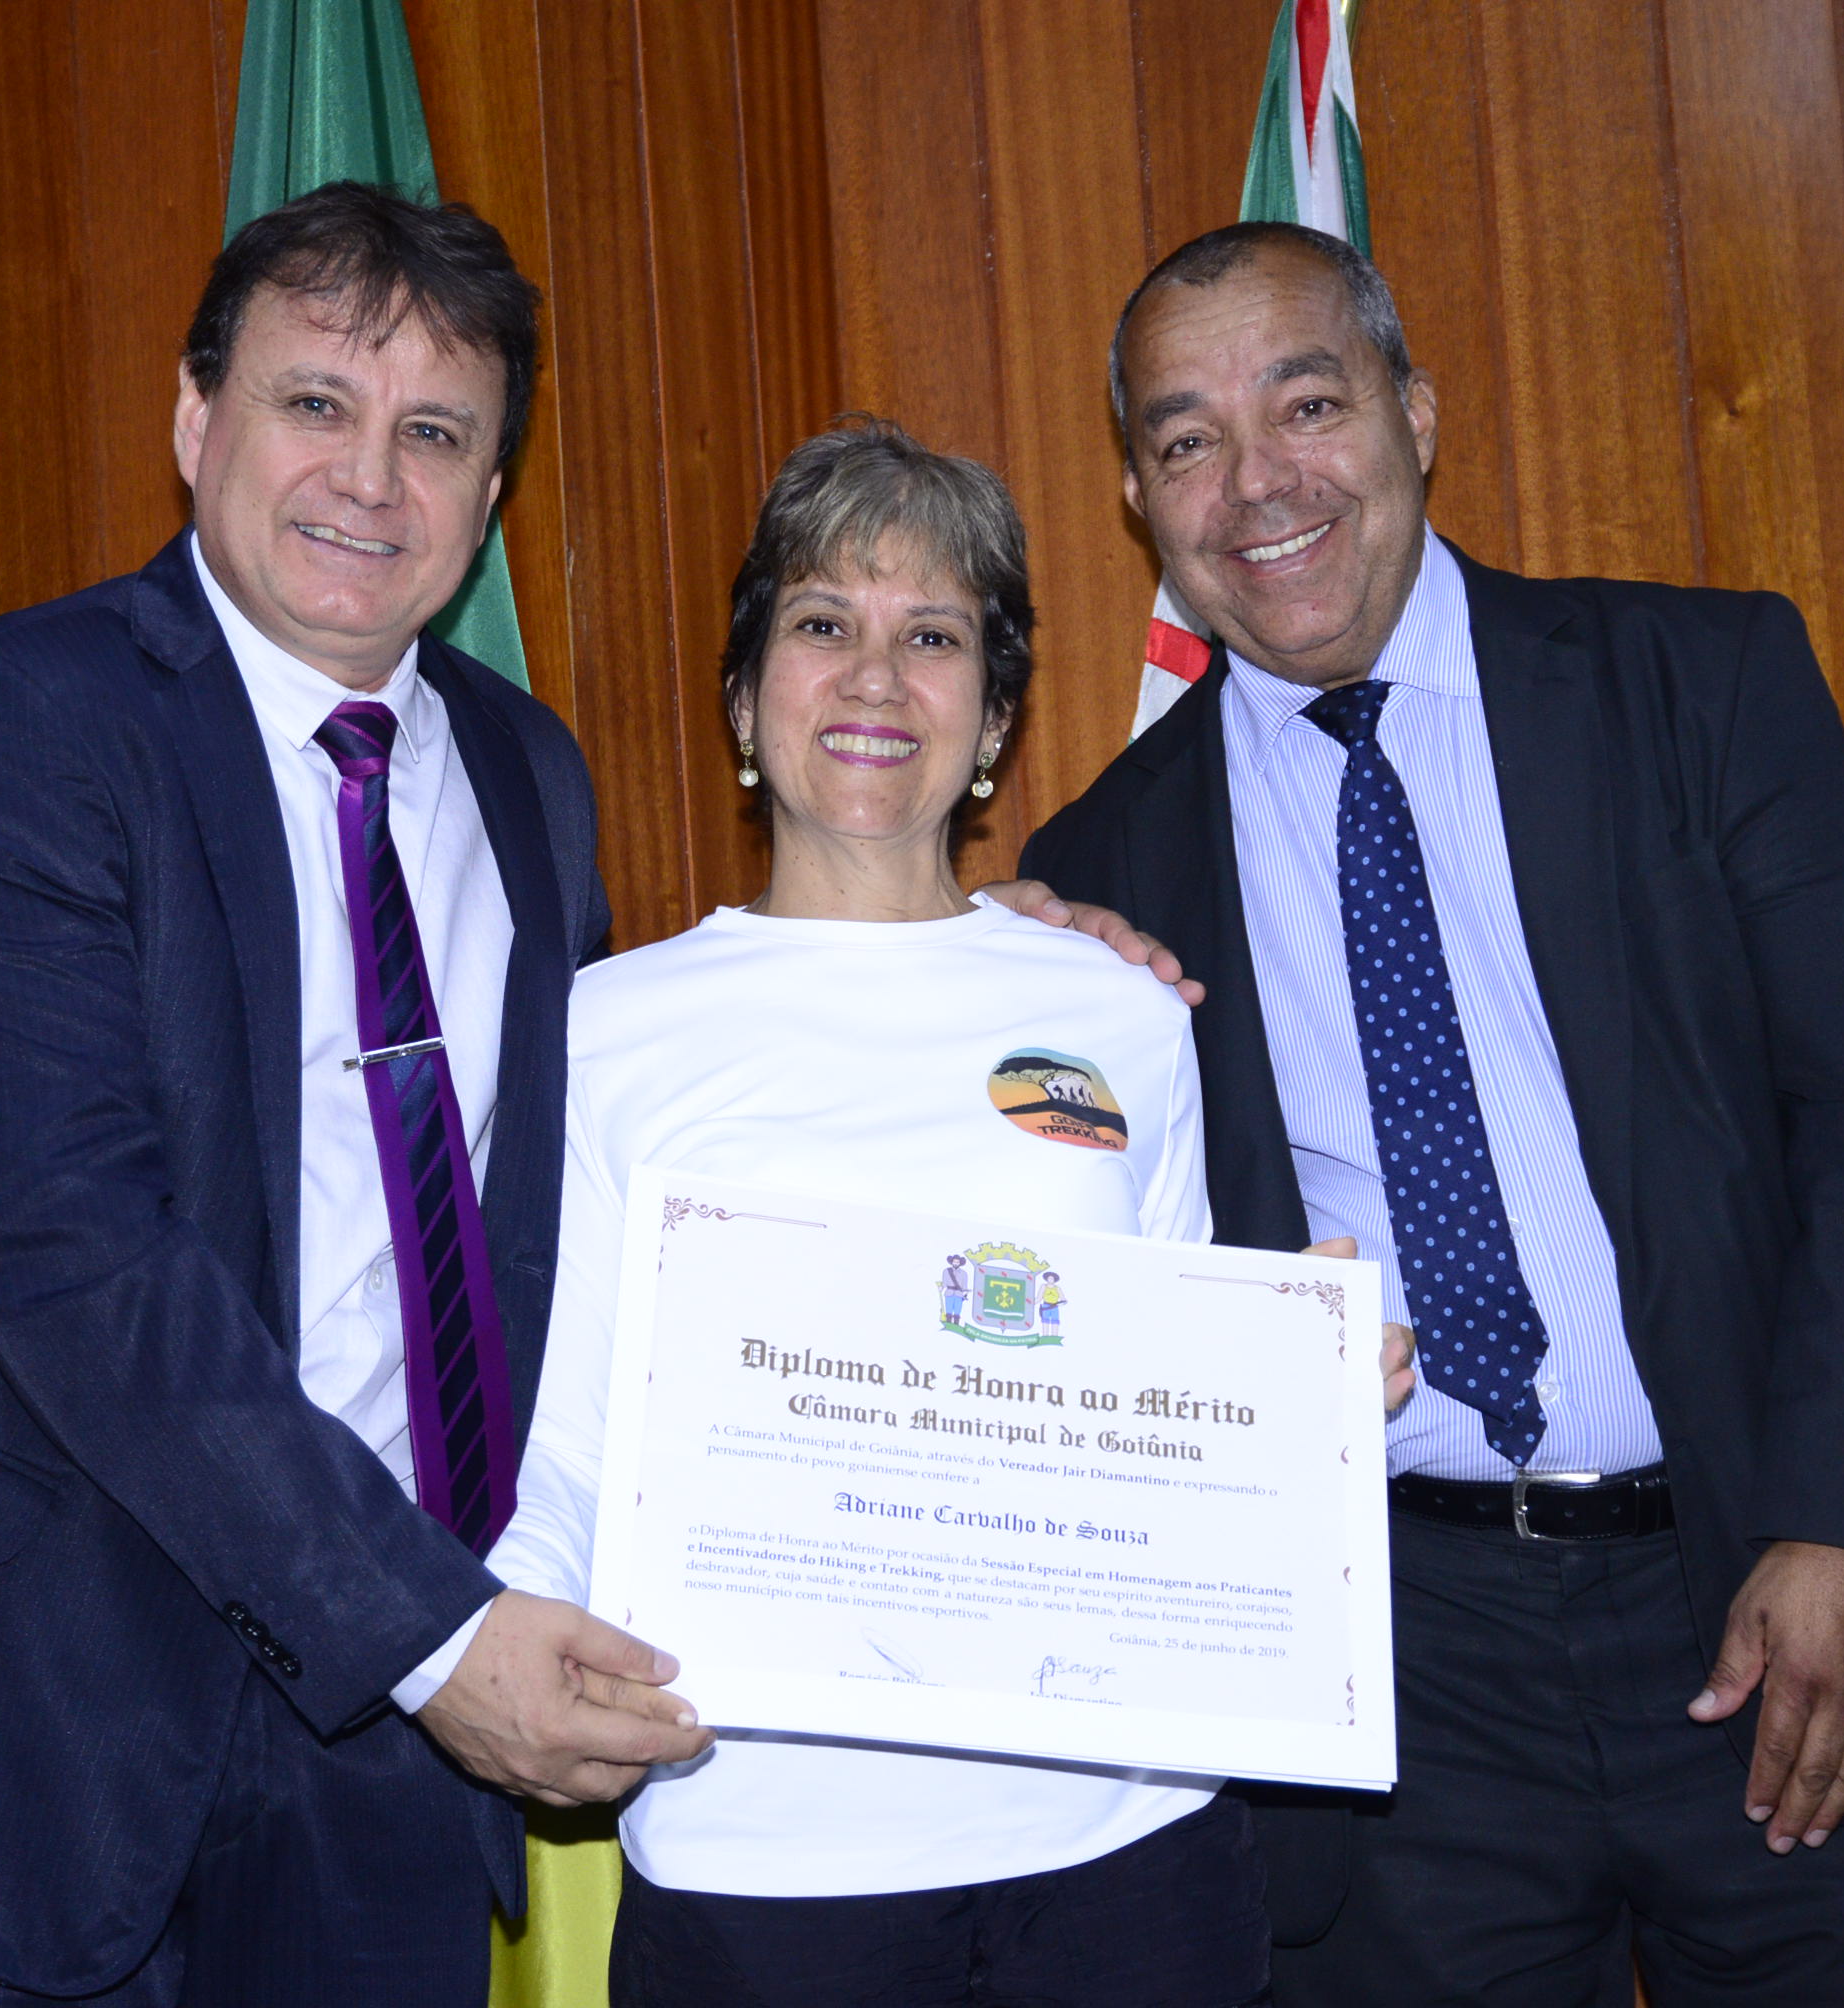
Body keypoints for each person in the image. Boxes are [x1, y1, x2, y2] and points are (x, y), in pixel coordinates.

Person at [1019, 222, 1844, 2007]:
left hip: (1763, 1583)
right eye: (1188, 439)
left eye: (1308, 403)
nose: (1258, 481)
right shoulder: (1100, 869)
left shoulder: (1700, 683)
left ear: (1416, 415)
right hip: (1399, 1682)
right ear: (1140, 499)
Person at [0, 184, 721, 2006]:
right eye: (314, 402)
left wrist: (993, 952)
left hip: (386, 1779)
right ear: (196, 423)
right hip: (18, 1736)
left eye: (436, 434)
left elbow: (606, 1174)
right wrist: (433, 1639)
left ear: (491, 495)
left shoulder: (528, 773)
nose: (371, 479)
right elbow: (65, 1250)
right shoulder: (13, 721)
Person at [484, 416, 1413, 2008]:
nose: (874, 678)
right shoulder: (598, 1030)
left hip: (1128, 1848)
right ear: (744, 700)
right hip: (765, 1856)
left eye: (932, 637)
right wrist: (528, 1639)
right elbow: (567, 1435)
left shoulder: (1123, 1010)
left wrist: (1302, 1413)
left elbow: (1168, 1377)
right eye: (821, 624)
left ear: (992, 719)